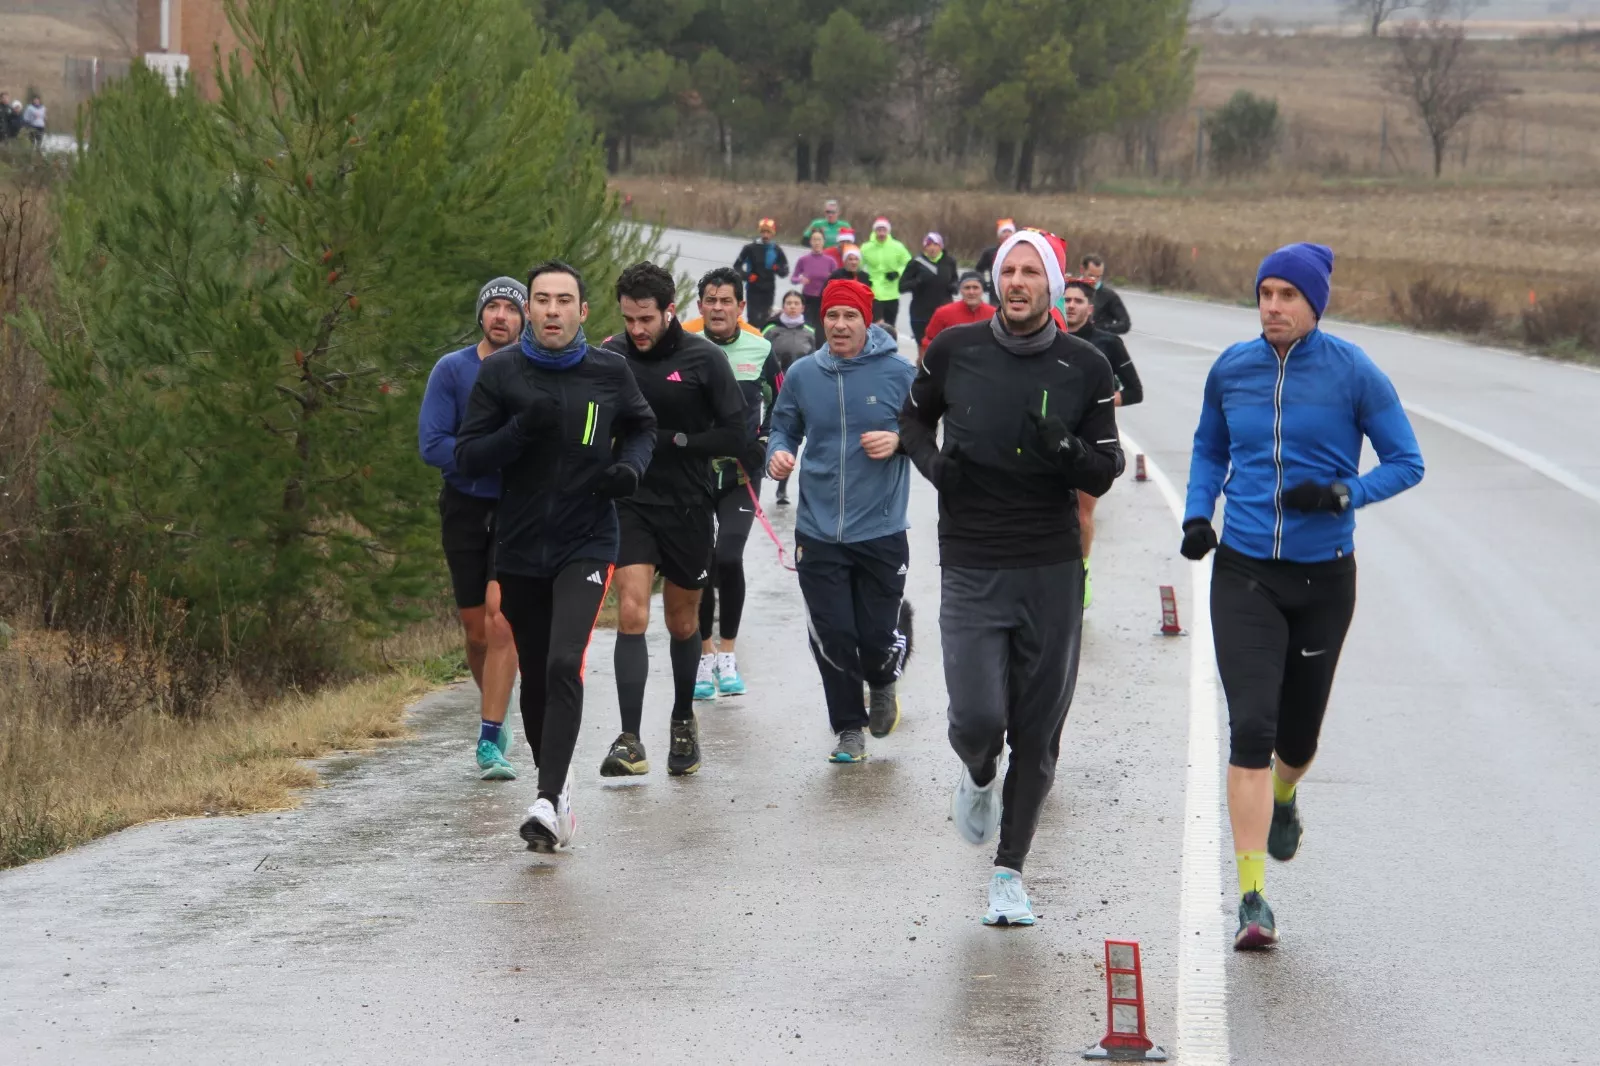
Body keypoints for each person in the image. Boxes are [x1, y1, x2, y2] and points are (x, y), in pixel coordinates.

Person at [1180, 243, 1423, 950]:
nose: (1274, 307)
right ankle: (1253, 897)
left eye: (1288, 295)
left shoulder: (1353, 372)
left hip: (1323, 578)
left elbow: (1408, 461)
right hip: (1245, 569)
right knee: (1250, 727)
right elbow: (1209, 449)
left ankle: (1286, 794)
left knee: (1298, 736)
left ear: (1315, 303)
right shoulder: (1232, 369)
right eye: (1265, 294)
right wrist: (1199, 514)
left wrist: (1346, 492)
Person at [899, 230, 1124, 927]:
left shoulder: (1084, 365)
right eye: (1009, 271)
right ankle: (975, 771)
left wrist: (1071, 451)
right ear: (996, 282)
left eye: (1033, 272)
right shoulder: (955, 350)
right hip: (971, 556)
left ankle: (1009, 873)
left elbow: (1106, 469)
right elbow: (911, 419)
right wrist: (937, 470)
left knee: (1036, 725)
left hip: (1050, 563)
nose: (1019, 281)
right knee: (977, 718)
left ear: (1052, 285)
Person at [455, 261, 657, 852]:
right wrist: (519, 431)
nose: (550, 310)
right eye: (540, 299)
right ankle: (557, 788)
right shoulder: (502, 375)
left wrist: (631, 468)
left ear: (582, 311)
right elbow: (467, 457)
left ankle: (545, 799)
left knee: (564, 660)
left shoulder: (609, 372)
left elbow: (643, 427)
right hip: (518, 546)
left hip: (587, 539)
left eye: (562, 300)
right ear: (527, 311)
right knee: (539, 671)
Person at [596, 262, 746, 780]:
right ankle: (629, 738)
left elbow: (737, 433)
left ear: (669, 311)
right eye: (628, 319)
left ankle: (683, 719)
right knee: (632, 614)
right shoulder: (610, 355)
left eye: (645, 319)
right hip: (631, 502)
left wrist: (680, 442)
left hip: (687, 504)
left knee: (683, 622)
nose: (636, 330)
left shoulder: (703, 359)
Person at [767, 279, 916, 763]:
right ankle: (848, 727)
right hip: (819, 528)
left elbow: (930, 429)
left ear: (866, 320)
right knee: (834, 634)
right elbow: (784, 424)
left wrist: (899, 441)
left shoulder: (899, 372)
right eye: (832, 316)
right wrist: (780, 452)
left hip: (881, 527)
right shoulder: (805, 374)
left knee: (873, 637)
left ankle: (884, 677)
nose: (840, 325)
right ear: (821, 319)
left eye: (850, 316)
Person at [418, 277, 527, 780]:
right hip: (463, 505)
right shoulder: (452, 370)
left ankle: (489, 735)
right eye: (493, 307)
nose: (501, 316)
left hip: (516, 506)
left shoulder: (531, 370)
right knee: (476, 632)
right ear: (481, 316)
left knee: (501, 618)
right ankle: (495, 711)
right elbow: (432, 444)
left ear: (524, 318)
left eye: (511, 308)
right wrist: (485, 459)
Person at [687, 268, 782, 704]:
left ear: (741, 307)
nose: (718, 308)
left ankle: (728, 652)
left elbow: (783, 406)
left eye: (727, 301)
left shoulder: (762, 349)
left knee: (728, 556)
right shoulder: (686, 348)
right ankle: (704, 655)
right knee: (701, 561)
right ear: (700, 305)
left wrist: (764, 443)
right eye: (711, 300)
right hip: (693, 472)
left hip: (740, 474)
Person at [1059, 278, 1144, 608]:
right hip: (1053, 434)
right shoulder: (1051, 336)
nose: (1071, 306)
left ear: (1090, 308)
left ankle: (1082, 571)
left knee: (1081, 515)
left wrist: (1102, 402)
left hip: (1092, 436)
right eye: (1066, 300)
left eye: (1077, 301)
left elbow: (1135, 391)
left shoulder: (1108, 344)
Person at [761, 291, 817, 506]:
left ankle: (783, 488)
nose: (792, 306)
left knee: (799, 437)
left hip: (802, 393)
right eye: (788, 303)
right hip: (775, 392)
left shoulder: (810, 332)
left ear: (803, 307)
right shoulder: (771, 330)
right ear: (783, 306)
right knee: (778, 433)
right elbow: (760, 358)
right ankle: (766, 468)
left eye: (796, 303)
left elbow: (816, 361)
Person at [899, 232, 959, 347]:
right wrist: (917, 281)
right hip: (921, 314)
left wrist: (954, 286)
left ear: (941, 246)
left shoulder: (949, 261)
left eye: (935, 245)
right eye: (929, 245)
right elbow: (902, 287)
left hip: (944, 311)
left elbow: (955, 279)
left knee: (944, 348)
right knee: (924, 350)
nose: (932, 248)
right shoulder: (916, 263)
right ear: (924, 247)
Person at [919, 271, 995, 358]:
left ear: (982, 290)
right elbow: (928, 341)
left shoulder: (994, 315)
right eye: (967, 288)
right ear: (960, 290)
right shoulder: (943, 313)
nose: (971, 292)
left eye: (976, 287)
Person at [733, 218, 790, 328]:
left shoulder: (776, 249)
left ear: (772, 234)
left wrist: (777, 268)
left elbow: (785, 271)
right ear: (760, 232)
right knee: (753, 319)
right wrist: (747, 276)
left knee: (766, 319)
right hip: (753, 288)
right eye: (763, 232)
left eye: (768, 232)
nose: (765, 235)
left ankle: (764, 342)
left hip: (768, 289)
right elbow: (737, 266)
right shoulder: (750, 248)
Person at [859, 216, 912, 327]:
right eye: (879, 230)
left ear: (888, 231)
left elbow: (909, 263)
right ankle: (874, 344)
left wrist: (898, 272)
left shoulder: (897, 247)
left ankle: (891, 344)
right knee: (875, 326)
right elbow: (858, 266)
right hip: (874, 293)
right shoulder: (866, 248)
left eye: (884, 230)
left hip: (892, 293)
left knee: (890, 326)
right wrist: (864, 280)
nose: (881, 233)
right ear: (875, 231)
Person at [792, 229, 835, 331]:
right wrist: (800, 279)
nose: (816, 243)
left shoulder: (830, 261)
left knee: (821, 329)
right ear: (810, 242)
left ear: (823, 242)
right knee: (807, 327)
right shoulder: (803, 260)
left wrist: (830, 279)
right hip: (807, 299)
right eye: (814, 239)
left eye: (819, 240)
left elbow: (838, 281)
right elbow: (793, 278)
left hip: (824, 299)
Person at [1081, 254, 1131, 336]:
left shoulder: (1109, 296)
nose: (1095, 280)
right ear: (1082, 270)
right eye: (1091, 275)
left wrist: (1102, 328)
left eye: (1098, 276)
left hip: (1098, 344)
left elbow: (1125, 324)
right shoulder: (1070, 289)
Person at [975, 219, 1017, 305]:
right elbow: (979, 269)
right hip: (995, 294)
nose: (1007, 234)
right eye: (1004, 232)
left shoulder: (1020, 251)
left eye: (1009, 231)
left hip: (1015, 291)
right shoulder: (990, 252)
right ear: (999, 235)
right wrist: (983, 283)